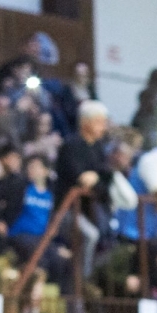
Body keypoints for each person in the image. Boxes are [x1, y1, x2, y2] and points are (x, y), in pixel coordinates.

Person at [54, 100, 111, 279]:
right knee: (90, 235)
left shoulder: (99, 148)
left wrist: (95, 178)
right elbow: (78, 177)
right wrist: (93, 179)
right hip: (67, 209)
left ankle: (92, 277)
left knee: (110, 236)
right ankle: (82, 279)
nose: (104, 127)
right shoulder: (71, 145)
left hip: (92, 209)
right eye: (100, 122)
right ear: (86, 123)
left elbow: (105, 178)